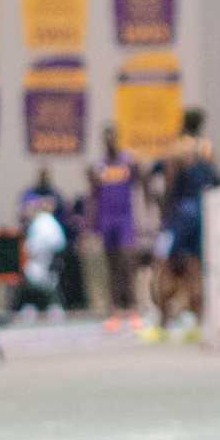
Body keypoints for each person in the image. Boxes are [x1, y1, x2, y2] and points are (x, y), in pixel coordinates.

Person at [146, 109, 220, 342]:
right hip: (202, 213)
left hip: (179, 214)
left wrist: (162, 211)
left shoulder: (177, 149)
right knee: (194, 266)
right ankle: (197, 323)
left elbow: (167, 181)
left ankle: (162, 322)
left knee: (161, 264)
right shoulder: (207, 149)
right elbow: (217, 181)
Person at [88, 125, 141, 329]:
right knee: (111, 265)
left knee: (128, 262)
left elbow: (141, 185)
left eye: (114, 138)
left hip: (125, 219)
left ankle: (133, 308)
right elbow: (92, 196)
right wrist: (90, 225)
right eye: (107, 138)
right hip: (106, 219)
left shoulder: (128, 162)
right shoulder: (98, 166)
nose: (111, 141)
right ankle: (115, 310)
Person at [12, 194, 66, 317]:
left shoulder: (44, 221)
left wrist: (34, 252)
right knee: (31, 282)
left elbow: (55, 242)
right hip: (38, 261)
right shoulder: (36, 222)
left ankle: (53, 307)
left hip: (44, 261)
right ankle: (32, 307)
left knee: (42, 282)